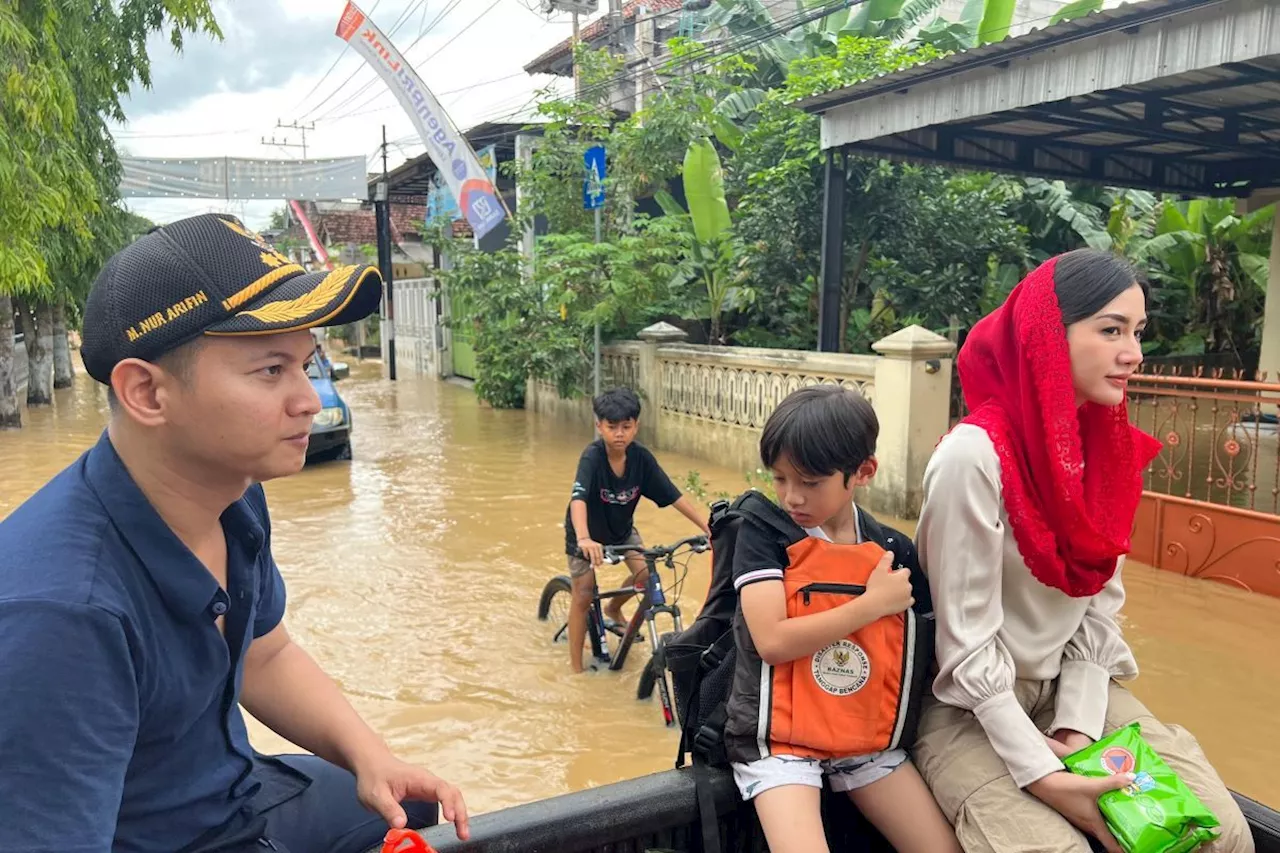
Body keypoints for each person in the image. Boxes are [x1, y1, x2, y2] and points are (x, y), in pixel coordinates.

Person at [0, 214, 469, 853]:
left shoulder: (235, 497)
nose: (307, 399)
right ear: (146, 393)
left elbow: (264, 654)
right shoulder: (61, 614)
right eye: (271, 370)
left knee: (409, 805)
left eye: (306, 363)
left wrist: (371, 756)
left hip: (235, 794)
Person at [913, 249, 1254, 853]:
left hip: (1073, 691)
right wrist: (1047, 777)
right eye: (1111, 330)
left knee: (1219, 836)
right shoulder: (974, 457)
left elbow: (1098, 612)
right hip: (972, 709)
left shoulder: (1108, 456)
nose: (1135, 354)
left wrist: (1075, 732)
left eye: (1138, 332)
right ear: (1047, 337)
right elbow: (965, 647)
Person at [724, 385, 961, 853]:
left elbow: (923, 654)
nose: (792, 497)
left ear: (863, 472)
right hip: (779, 741)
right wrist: (870, 605)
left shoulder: (892, 549)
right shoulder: (763, 532)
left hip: (865, 739)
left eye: (810, 483)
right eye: (779, 479)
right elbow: (771, 640)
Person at [563, 387, 709, 673]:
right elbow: (577, 499)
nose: (620, 434)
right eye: (612, 427)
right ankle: (575, 670)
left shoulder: (641, 459)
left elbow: (674, 496)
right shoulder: (592, 457)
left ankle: (613, 608)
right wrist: (583, 538)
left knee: (646, 577)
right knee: (583, 594)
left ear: (636, 426)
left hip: (621, 531)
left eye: (626, 427)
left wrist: (709, 528)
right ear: (599, 427)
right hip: (585, 534)